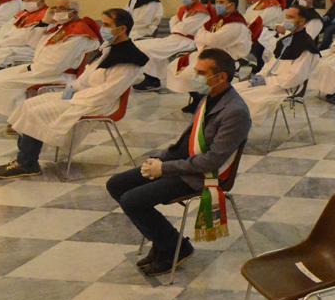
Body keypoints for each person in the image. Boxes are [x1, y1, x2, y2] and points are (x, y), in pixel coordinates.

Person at [105, 48, 252, 273]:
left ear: (221, 77)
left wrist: (165, 168)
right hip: (184, 164)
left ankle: (173, 246)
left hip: (202, 176)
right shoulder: (209, 96)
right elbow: (189, 140)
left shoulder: (235, 111)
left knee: (132, 200)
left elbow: (211, 161)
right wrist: (161, 158)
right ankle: (167, 241)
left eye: (201, 73)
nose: (195, 77)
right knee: (116, 184)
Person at [0, 9, 148, 179]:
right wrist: (73, 87)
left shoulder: (130, 58)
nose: (102, 28)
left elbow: (109, 92)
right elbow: (88, 75)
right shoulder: (109, 48)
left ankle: (27, 163)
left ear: (122, 29)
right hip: (82, 95)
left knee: (36, 112)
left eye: (107, 25)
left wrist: (76, 97)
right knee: (28, 104)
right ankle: (23, 159)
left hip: (98, 103)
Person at [0, 0, 100, 115]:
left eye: (62, 9)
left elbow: (57, 64)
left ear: (74, 12)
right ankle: (17, 116)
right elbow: (34, 43)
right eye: (55, 8)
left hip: (58, 74)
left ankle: (17, 117)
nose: (57, 12)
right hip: (41, 68)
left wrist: (32, 69)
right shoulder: (61, 28)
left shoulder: (78, 34)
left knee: (5, 83)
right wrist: (44, 23)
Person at [166, 0, 251, 113]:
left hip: (225, 59)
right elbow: (199, 34)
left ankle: (206, 102)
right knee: (174, 66)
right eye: (217, 2)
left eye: (221, 2)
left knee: (190, 74)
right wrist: (206, 39)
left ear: (231, 5)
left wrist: (206, 38)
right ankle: (197, 99)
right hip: (209, 53)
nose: (217, 5)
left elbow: (215, 40)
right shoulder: (218, 19)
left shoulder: (236, 24)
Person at [236, 5, 321, 126]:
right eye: (286, 16)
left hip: (285, 88)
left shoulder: (307, 47)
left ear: (302, 21)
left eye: (291, 17)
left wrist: (267, 81)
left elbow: (295, 77)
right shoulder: (286, 40)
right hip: (271, 80)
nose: (286, 20)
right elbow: (271, 63)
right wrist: (260, 76)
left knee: (243, 99)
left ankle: (238, 131)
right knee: (234, 90)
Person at [134, 0, 210, 91]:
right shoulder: (185, 9)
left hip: (187, 41)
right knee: (142, 45)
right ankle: (152, 77)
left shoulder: (201, 12)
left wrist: (177, 25)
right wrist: (177, 25)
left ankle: (153, 79)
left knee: (150, 49)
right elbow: (173, 23)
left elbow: (183, 28)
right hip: (176, 38)